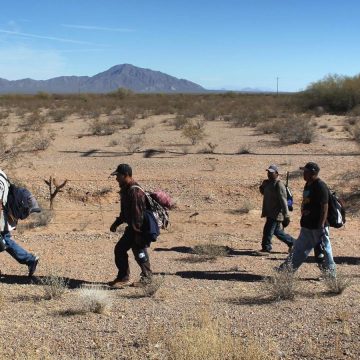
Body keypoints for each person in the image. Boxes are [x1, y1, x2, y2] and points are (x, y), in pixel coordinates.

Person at [279, 162, 336, 276]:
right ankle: (287, 270)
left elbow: (325, 206)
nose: (303, 174)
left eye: (306, 171)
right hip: (307, 224)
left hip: (318, 225)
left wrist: (321, 226)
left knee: (325, 250)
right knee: (299, 248)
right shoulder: (308, 184)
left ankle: (330, 274)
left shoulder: (320, 186)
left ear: (313, 173)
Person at [108, 164, 152, 288]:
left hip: (138, 228)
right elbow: (125, 212)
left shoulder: (134, 192)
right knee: (138, 251)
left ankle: (125, 277)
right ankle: (145, 278)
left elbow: (138, 215)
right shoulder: (126, 190)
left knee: (128, 250)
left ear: (126, 175)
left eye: (118, 176)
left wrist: (138, 233)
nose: (116, 179)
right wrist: (116, 223)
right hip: (134, 227)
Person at [0, 170, 40, 277]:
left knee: (4, 240)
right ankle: (30, 260)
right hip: (4, 213)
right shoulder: (1, 173)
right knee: (5, 240)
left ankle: (30, 259)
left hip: (2, 215)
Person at [259, 164, 295, 253]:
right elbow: (264, 193)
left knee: (268, 230)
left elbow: (283, 201)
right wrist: (262, 187)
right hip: (269, 211)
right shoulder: (268, 183)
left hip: (276, 213)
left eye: (271, 172)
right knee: (277, 232)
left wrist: (286, 216)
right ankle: (293, 242)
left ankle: (266, 248)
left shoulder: (279, 185)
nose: (269, 174)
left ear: (277, 173)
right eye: (268, 172)